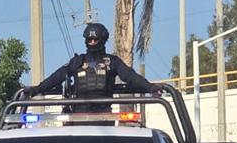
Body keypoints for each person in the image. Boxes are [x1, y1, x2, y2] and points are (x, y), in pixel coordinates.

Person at [17, 22, 161, 101]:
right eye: (89, 40)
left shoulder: (112, 61)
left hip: (104, 113)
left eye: (95, 39)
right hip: (78, 113)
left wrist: (150, 87)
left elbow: (131, 77)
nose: (92, 42)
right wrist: (36, 89)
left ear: (102, 40)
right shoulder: (76, 62)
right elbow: (56, 78)